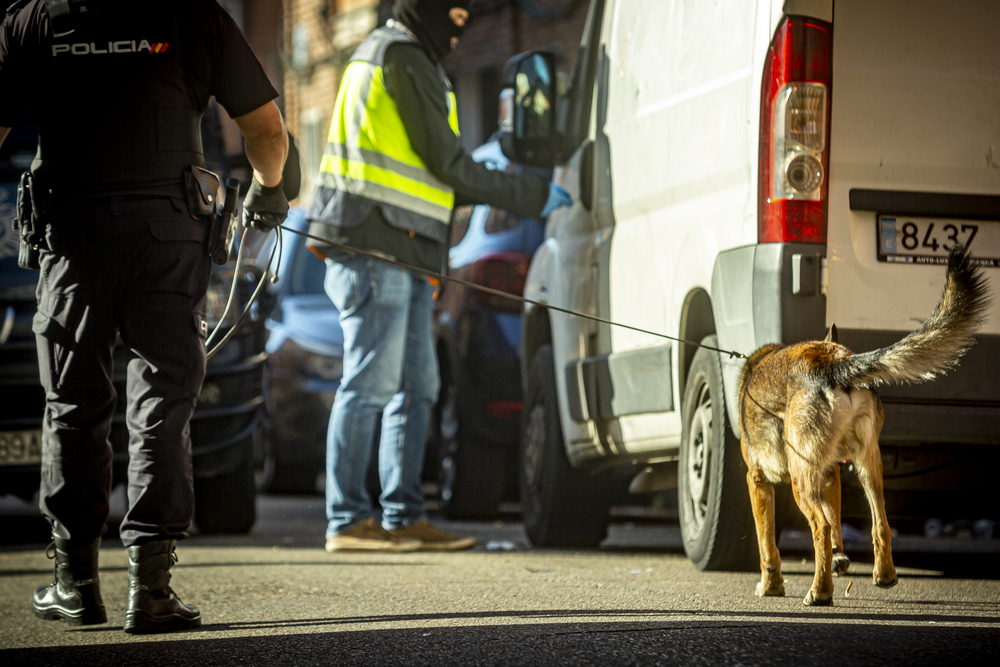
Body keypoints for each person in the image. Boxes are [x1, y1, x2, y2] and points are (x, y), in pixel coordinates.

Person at [0, 0, 289, 634]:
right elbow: (265, 129)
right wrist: (269, 194)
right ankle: (150, 591)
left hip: (73, 242)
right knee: (162, 398)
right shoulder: (191, 16)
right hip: (167, 238)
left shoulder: (31, 23)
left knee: (74, 405)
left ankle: (74, 585)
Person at [306, 0, 573, 553]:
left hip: (399, 248)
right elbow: (448, 165)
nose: (460, 28)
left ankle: (403, 518)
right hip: (373, 245)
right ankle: (348, 520)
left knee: (417, 387)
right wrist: (533, 194)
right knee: (371, 382)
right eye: (452, 16)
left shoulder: (409, 56)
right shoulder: (400, 57)